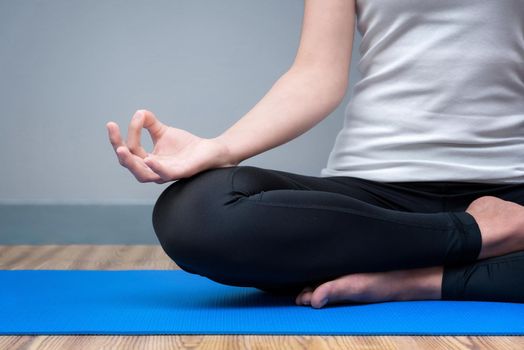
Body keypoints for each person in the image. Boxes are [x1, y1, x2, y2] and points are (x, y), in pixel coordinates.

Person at [106, 0, 524, 309]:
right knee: (194, 213)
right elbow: (316, 73)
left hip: (514, 186)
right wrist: (219, 148)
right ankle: (481, 238)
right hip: (371, 193)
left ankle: (416, 278)